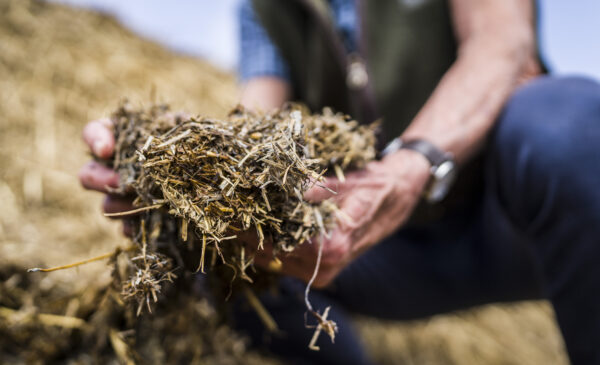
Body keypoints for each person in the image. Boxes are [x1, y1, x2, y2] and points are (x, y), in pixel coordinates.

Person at [79, 0, 600, 364]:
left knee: (561, 121)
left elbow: (501, 46)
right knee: (219, 253)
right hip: (386, 256)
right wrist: (193, 166)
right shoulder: (263, 9)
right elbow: (261, 122)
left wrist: (410, 166)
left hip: (516, 223)